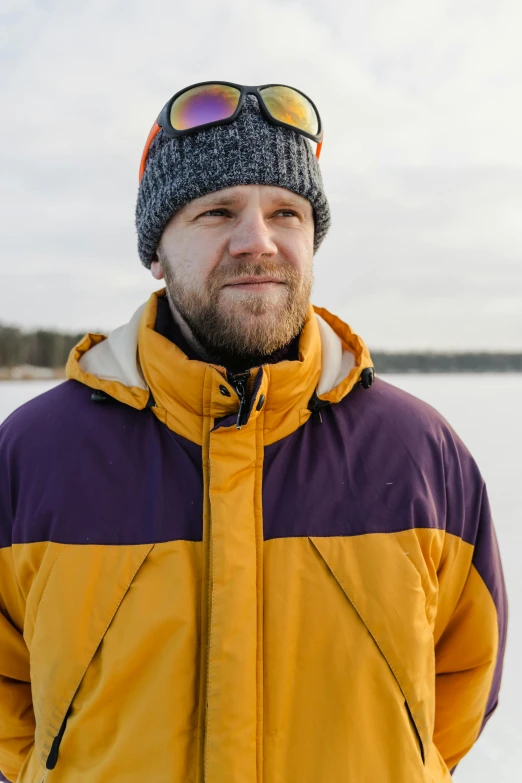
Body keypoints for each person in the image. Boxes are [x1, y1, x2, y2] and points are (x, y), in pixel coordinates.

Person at [0, 82, 507, 783]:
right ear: (156, 251)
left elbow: (464, 678)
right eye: (217, 211)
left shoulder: (421, 452)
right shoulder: (34, 454)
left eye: (286, 213)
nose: (257, 242)